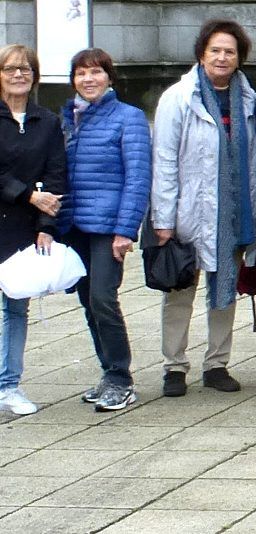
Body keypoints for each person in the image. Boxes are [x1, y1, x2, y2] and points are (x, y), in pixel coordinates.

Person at [151, 20, 256, 398]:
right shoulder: (178, 99)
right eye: (215, 50)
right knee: (180, 290)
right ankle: (174, 366)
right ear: (202, 53)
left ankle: (217, 364)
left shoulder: (248, 100)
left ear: (239, 59)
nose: (222, 57)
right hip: (188, 215)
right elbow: (164, 161)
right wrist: (163, 219)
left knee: (225, 289)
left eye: (230, 51)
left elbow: (253, 163)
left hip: (232, 214)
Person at [58, 48, 150, 413]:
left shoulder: (129, 118)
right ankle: (107, 372)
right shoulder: (68, 119)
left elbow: (138, 177)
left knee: (102, 299)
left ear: (109, 77)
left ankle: (121, 378)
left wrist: (126, 230)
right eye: (81, 73)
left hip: (109, 227)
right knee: (87, 302)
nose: (88, 79)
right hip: (74, 225)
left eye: (96, 72)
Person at [0, 44, 66, 416]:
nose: (18, 74)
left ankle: (8, 385)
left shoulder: (47, 121)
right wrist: (28, 195)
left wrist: (47, 225)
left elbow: (56, 174)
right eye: (10, 68)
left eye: (25, 69)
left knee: (15, 307)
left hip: (24, 228)